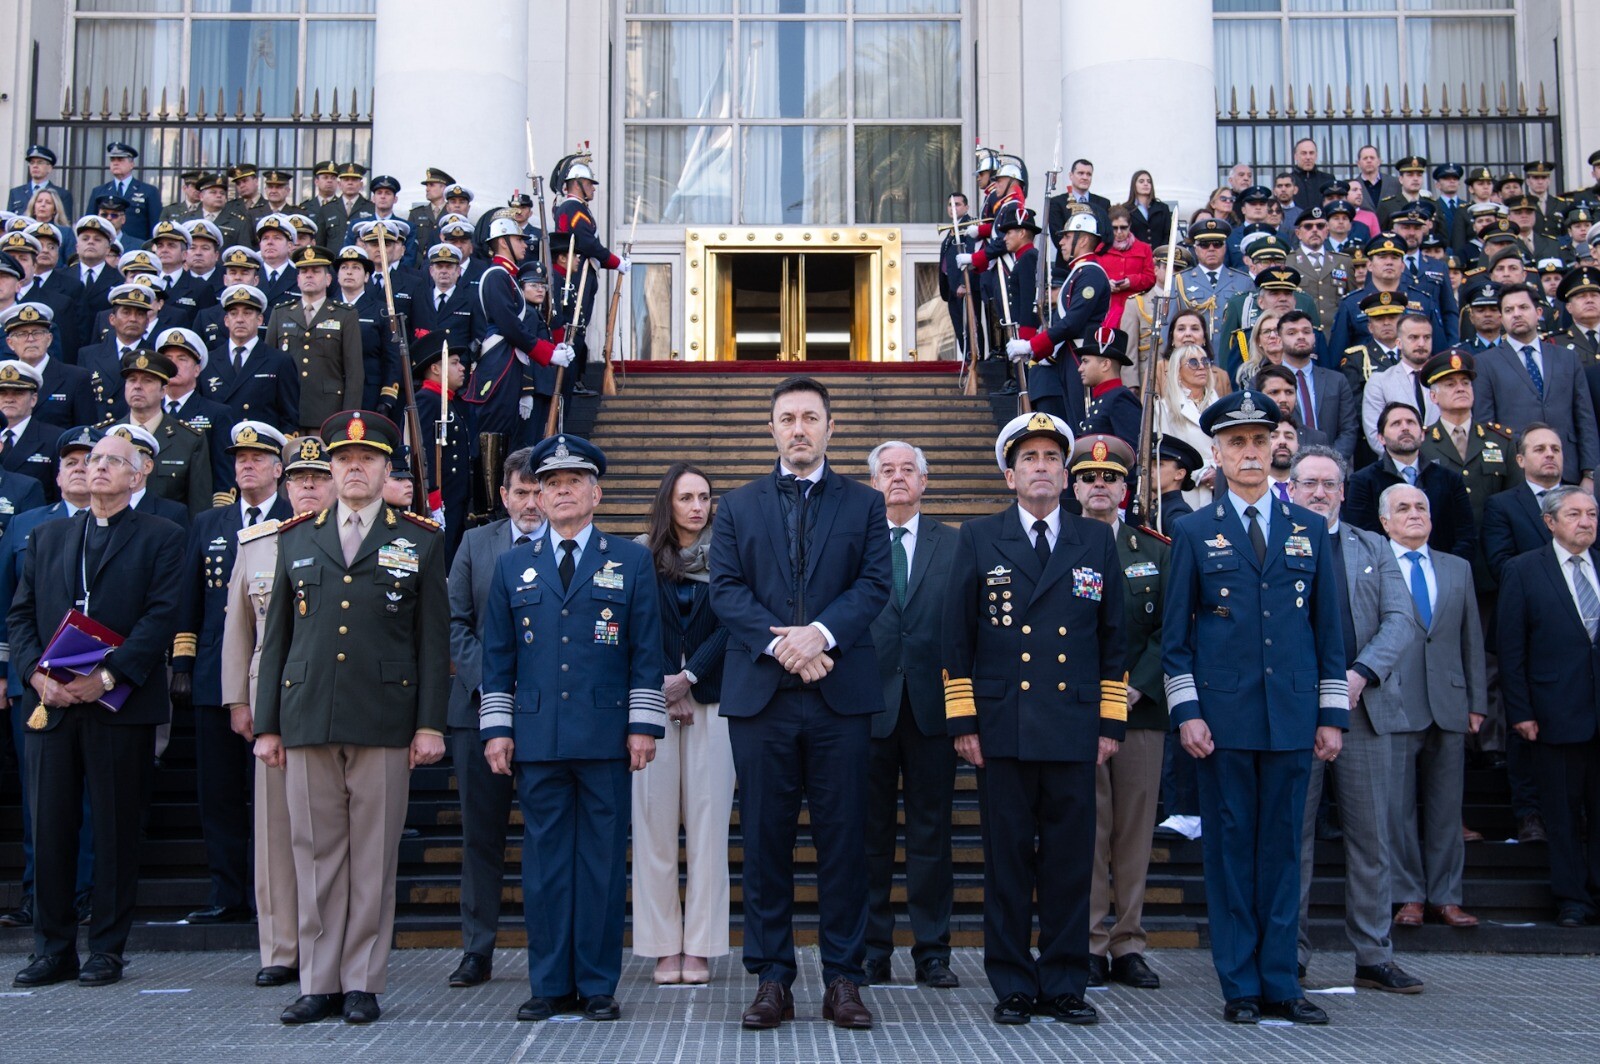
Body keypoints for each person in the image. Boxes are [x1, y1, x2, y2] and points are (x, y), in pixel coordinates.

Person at [253, 410, 449, 1026]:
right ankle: (318, 981)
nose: (354, 468)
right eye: (343, 460)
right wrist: (267, 725)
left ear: (388, 469)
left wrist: (430, 724)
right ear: (330, 468)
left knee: (373, 856)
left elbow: (432, 642)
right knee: (315, 854)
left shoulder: (419, 539)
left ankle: (361, 980)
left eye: (367, 460)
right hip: (308, 713)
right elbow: (276, 640)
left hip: (385, 716)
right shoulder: (295, 537)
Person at [708, 376, 891, 1031]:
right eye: (787, 418)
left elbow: (874, 584)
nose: (799, 429)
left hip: (841, 698)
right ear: (771, 429)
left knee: (845, 842)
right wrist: (783, 645)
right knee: (764, 843)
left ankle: (844, 978)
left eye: (810, 417)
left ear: (830, 428)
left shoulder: (865, 504)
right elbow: (725, 589)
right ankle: (772, 979)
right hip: (762, 700)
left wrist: (820, 634)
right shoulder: (737, 506)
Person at [1163, 389, 1346, 1026]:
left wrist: (1331, 716)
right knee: (1231, 853)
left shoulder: (1309, 528)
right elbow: (1176, 639)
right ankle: (1240, 984)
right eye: (1236, 442)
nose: (1249, 452)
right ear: (1216, 452)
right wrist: (1188, 713)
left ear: (1275, 450)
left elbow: (1328, 632)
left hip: (1293, 716)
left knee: (1284, 855)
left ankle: (1283, 983)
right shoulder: (1193, 530)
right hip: (1224, 721)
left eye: (1259, 441)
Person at [943, 412, 1125, 1026]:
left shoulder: (1095, 540)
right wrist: (963, 721)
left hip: (1074, 725)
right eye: (1029, 459)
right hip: (1003, 726)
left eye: (1051, 458)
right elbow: (955, 636)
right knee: (1008, 862)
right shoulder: (978, 537)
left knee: (1071, 863)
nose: (1041, 468)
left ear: (1065, 475)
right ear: (1009, 475)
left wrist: (1110, 724)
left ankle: (1067, 982)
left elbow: (1114, 638)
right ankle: (1013, 982)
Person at [479, 433, 665, 1023]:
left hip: (606, 736)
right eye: (551, 484)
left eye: (573, 483)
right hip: (537, 737)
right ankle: (550, 984)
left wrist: (643, 725)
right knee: (545, 867)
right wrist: (497, 730)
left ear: (596, 493)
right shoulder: (513, 565)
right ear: (537, 496)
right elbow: (497, 657)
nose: (561, 493)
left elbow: (646, 649)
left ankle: (598, 984)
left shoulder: (629, 560)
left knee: (602, 865)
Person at [8, 430, 185, 989]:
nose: (97, 467)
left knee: (114, 829)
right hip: (52, 703)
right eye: (92, 460)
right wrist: (35, 674)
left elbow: (161, 616)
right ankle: (52, 948)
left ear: (138, 476)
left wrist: (107, 676)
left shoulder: (162, 535)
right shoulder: (47, 536)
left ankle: (107, 949)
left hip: (118, 704)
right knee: (50, 827)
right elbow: (20, 615)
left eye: (113, 461)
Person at [1287, 446, 1423, 992]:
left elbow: (1400, 619)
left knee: (1371, 839)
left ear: (1344, 492)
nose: (1320, 493)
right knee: (1292, 840)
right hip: (1295, 712)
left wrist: (1361, 674)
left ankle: (1373, 955)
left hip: (1363, 709)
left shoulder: (1374, 546)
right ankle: (1288, 953)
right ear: (1291, 490)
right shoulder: (1275, 543)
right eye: (1309, 483)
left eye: (1329, 484)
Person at [220, 434, 338, 989]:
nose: (307, 486)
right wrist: (237, 700)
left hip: (334, 696)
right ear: (284, 486)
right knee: (275, 832)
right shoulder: (257, 544)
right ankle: (281, 948)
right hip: (274, 703)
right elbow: (239, 631)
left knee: (331, 831)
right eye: (298, 478)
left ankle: (329, 945)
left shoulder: (354, 540)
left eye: (318, 477)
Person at [170, 420, 294, 930]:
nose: (246, 465)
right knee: (218, 792)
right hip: (214, 672)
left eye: (258, 458)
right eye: (240, 459)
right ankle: (226, 893)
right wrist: (183, 661)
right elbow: (191, 598)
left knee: (270, 795)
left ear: (278, 469)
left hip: (273, 674)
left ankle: (270, 894)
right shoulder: (209, 523)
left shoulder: (295, 518)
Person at [440, 445, 543, 991]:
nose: (530, 503)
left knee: (547, 838)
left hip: (548, 714)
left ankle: (547, 949)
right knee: (481, 837)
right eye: (520, 493)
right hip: (477, 711)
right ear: (503, 495)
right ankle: (477, 950)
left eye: (538, 492)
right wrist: (492, 686)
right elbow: (453, 620)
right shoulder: (474, 544)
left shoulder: (566, 545)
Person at [1070, 433, 1168, 991]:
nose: (1099, 485)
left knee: (1133, 832)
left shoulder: (1153, 550)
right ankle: (1088, 941)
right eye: (1088, 477)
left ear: (1125, 488)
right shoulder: (1059, 545)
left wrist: (1138, 688)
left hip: (1139, 711)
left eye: (1109, 478)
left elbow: (1171, 629)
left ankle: (1128, 941)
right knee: (1087, 829)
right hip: (1077, 709)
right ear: (1074, 487)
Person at [632, 462, 734, 987]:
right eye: (686, 497)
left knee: (709, 829)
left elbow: (736, 623)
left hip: (714, 703)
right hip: (651, 706)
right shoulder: (638, 557)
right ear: (666, 504)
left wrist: (690, 677)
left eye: (704, 497)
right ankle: (661, 945)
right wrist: (664, 686)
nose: (697, 507)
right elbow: (633, 627)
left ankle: (701, 946)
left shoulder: (731, 555)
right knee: (652, 827)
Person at [862, 441, 958, 990]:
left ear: (924, 481)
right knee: (868, 838)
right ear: (873, 483)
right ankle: (872, 949)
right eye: (887, 471)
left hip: (933, 710)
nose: (897, 478)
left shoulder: (956, 543)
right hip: (867, 709)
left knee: (931, 837)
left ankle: (933, 953)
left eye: (907, 470)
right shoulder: (853, 542)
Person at [0, 426, 97, 933]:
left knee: (92, 796)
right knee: (38, 795)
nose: (80, 468)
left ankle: (86, 891)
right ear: (56, 476)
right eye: (71, 461)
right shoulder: (27, 524)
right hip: (34, 680)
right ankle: (38, 893)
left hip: (98, 680)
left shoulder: (118, 525)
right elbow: (8, 602)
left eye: (90, 460)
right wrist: (13, 670)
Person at [1378, 483, 1486, 931]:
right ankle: (1408, 895)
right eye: (1403, 508)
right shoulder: (1374, 565)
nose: (1414, 514)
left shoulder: (1457, 567)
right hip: (1394, 700)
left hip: (1449, 700)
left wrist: (1477, 701)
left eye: (1421, 506)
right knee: (1396, 809)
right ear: (1385, 522)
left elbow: (1471, 638)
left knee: (1446, 808)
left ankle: (1447, 897)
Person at [1498, 486, 1600, 927]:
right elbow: (1511, 648)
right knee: (1561, 814)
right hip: (1553, 712)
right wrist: (1520, 711)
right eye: (1574, 514)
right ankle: (1572, 899)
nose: (1586, 522)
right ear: (1550, 522)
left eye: (1591, 514)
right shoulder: (1523, 570)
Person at [1474, 283, 1599, 488]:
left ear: (1539, 312)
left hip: (1569, 471)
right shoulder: (1485, 363)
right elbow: (1486, 424)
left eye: (1523, 307)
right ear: (1501, 318)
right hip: (1515, 474)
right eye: (1509, 310)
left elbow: (1585, 418)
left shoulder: (1567, 358)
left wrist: (1590, 472)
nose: (1516, 314)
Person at [1011, 212, 1109, 427]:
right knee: (1073, 420)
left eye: (1067, 236)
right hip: (1071, 353)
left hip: (1081, 353)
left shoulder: (1090, 274)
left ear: (1083, 240)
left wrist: (1032, 345)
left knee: (1082, 420)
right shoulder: (1080, 271)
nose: (1061, 242)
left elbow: (1073, 322)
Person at [1344, 401, 1476, 562]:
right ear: (1381, 438)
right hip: (1387, 570)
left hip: (1442, 569)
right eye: (1396, 423)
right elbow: (1362, 536)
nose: (1405, 428)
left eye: (1411, 422)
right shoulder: (1363, 481)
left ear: (1422, 434)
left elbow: (1466, 534)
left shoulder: (1450, 479)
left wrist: (1448, 567)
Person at [261, 245, 363, 435]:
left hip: (327, 414)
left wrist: (348, 418)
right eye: (304, 271)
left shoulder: (345, 315)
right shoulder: (280, 313)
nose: (309, 275)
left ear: (328, 279)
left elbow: (354, 373)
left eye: (316, 271)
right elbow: (268, 366)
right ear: (297, 279)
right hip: (286, 413)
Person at [550, 154, 630, 395]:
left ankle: (575, 379)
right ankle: (571, 380)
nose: (593, 189)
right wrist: (615, 261)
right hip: (578, 273)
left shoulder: (578, 208)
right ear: (576, 184)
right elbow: (586, 242)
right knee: (575, 326)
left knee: (580, 326)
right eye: (589, 184)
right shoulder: (573, 208)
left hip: (584, 271)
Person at [108, 348, 212, 516]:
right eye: (132, 380)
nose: (137, 386)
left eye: (147, 381)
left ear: (163, 391)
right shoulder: (106, 436)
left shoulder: (189, 439)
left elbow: (199, 507)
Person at [202, 283, 300, 432]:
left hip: (259, 442)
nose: (240, 319)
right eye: (233, 314)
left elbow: (289, 417)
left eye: (247, 313)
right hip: (219, 442)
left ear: (260, 320)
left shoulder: (279, 361)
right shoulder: (209, 361)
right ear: (226, 321)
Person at [409, 330, 472, 559]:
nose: (462, 368)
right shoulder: (427, 400)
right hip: (442, 498)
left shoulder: (450, 401)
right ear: (436, 369)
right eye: (454, 363)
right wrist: (432, 499)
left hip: (456, 497)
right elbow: (423, 451)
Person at [1279, 309, 1359, 461]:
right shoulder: (1264, 381)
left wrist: (1331, 462)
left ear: (1314, 338)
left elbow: (1349, 429)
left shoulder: (1337, 380)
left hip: (1332, 466)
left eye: (1306, 332)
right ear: (1279, 339)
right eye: (1292, 333)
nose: (1301, 336)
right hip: (1286, 466)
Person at [1156, 342, 1222, 512]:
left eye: (1205, 361)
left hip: (1222, 488)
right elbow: (1165, 455)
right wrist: (1201, 473)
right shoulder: (1164, 408)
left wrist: (1218, 470)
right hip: (1187, 492)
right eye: (1193, 362)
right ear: (1178, 371)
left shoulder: (1220, 405)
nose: (1201, 367)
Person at [1362, 313, 1442, 452]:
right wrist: (1407, 459)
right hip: (1398, 461)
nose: (1421, 343)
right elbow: (1375, 435)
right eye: (1413, 337)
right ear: (1398, 343)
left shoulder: (1444, 379)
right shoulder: (1380, 382)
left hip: (1442, 460)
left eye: (1427, 337)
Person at [0, 358, 67, 502]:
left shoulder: (55, 439)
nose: (9, 399)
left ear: (33, 399)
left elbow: (61, 495)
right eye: (2, 393)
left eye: (18, 393)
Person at [1078, 326, 1141, 448]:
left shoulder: (1120, 398)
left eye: (1085, 361)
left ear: (1105, 364)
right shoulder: (1104, 398)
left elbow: (1131, 450)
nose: (1080, 368)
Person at [87, 143, 161, 244]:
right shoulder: (99, 191)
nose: (115, 163)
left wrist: (150, 247)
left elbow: (155, 225)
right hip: (104, 245)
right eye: (112, 160)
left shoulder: (149, 191)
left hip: (136, 247)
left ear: (132, 164)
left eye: (120, 159)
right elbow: (90, 223)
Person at [7, 144, 72, 217]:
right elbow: (9, 220)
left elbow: (65, 222)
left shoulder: (62, 195)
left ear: (49, 168)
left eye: (40, 162)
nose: (35, 166)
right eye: (32, 163)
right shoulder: (16, 193)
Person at [1124, 170, 1171, 248]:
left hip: (1159, 253)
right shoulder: (1125, 209)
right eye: (1141, 181)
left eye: (1149, 182)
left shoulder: (1163, 208)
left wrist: (1161, 252)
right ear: (1134, 185)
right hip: (1136, 253)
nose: (1146, 184)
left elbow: (1168, 234)